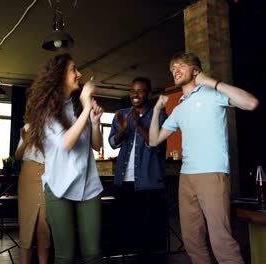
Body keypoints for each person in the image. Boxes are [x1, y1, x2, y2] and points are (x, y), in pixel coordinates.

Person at [149, 52, 259, 264]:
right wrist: (156, 110)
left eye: (181, 66)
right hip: (186, 177)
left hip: (212, 173)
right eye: (173, 69)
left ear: (196, 70)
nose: (175, 71)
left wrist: (211, 82)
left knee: (221, 242)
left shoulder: (211, 93)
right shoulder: (179, 107)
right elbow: (154, 140)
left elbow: (251, 103)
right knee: (192, 242)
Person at [24, 53, 104, 264]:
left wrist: (94, 122)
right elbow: (66, 143)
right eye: (73, 70)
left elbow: (96, 145)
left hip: (89, 186)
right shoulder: (46, 110)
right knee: (64, 255)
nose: (79, 74)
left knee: (93, 254)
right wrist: (87, 106)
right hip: (59, 187)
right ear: (60, 76)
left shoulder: (78, 106)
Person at [109, 77, 167, 262]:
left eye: (140, 90)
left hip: (148, 184)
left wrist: (139, 125)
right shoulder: (121, 114)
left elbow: (156, 146)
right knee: (126, 228)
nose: (135, 94)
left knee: (147, 232)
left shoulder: (160, 116)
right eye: (133, 90)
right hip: (123, 182)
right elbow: (112, 142)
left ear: (149, 94)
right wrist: (123, 130)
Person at [15, 123, 51, 264]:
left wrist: (41, 142)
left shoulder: (54, 127)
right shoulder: (28, 126)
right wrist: (25, 141)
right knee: (26, 224)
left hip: (47, 174)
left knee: (43, 224)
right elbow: (18, 155)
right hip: (28, 176)